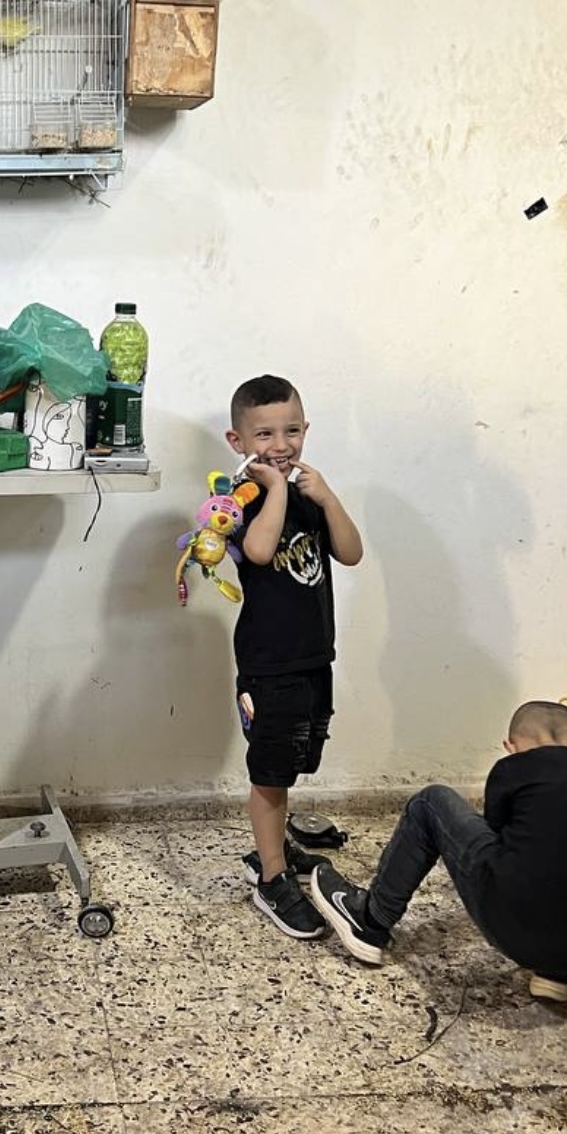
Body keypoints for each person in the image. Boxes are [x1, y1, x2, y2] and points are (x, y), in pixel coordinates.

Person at [304, 701, 567, 1000]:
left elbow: (504, 849)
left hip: (513, 927)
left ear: (512, 747)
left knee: (431, 802)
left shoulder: (514, 769)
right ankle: (558, 971)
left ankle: (370, 921)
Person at [224, 375, 366, 939]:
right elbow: (260, 551)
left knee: (295, 759)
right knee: (270, 774)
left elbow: (351, 553)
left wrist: (327, 497)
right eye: (265, 434)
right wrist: (277, 491)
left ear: (306, 429)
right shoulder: (241, 499)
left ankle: (275, 848)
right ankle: (271, 878)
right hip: (269, 664)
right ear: (238, 441)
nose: (280, 445)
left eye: (291, 431)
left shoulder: (310, 495)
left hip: (313, 656)